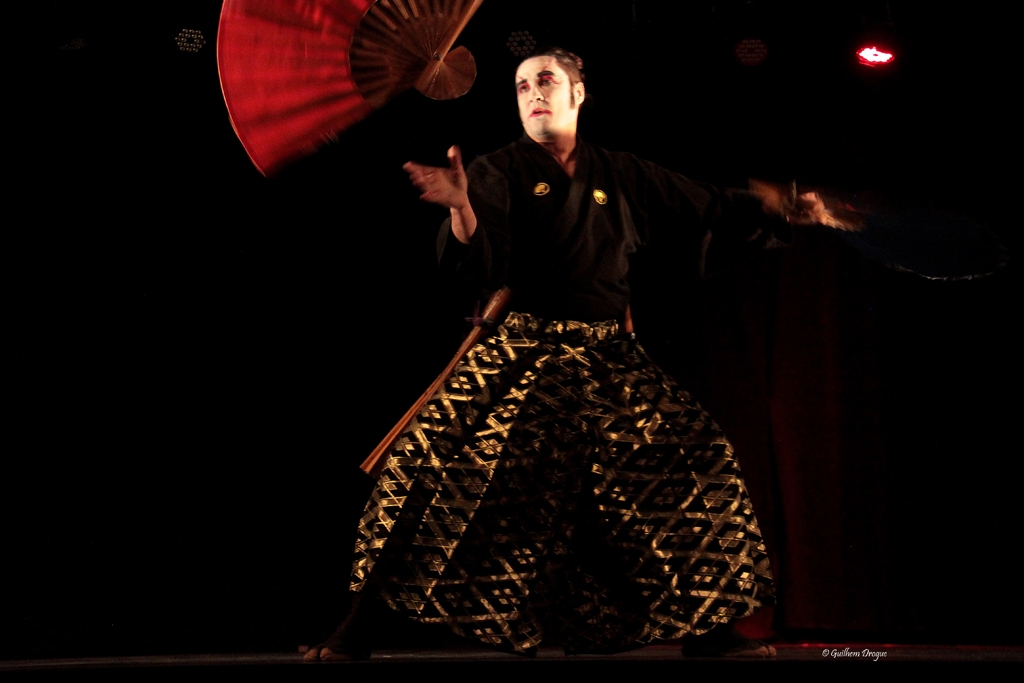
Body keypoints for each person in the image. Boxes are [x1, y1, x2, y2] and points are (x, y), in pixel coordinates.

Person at [305, 47, 833, 662]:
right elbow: (484, 260)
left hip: (611, 358)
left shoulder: (625, 172)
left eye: (547, 80)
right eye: (522, 84)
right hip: (524, 356)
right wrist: (462, 208)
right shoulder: (496, 171)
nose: (533, 93)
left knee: (692, 465)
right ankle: (357, 632)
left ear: (579, 94)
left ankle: (712, 636)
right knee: (440, 477)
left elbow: (705, 211)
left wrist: (776, 207)